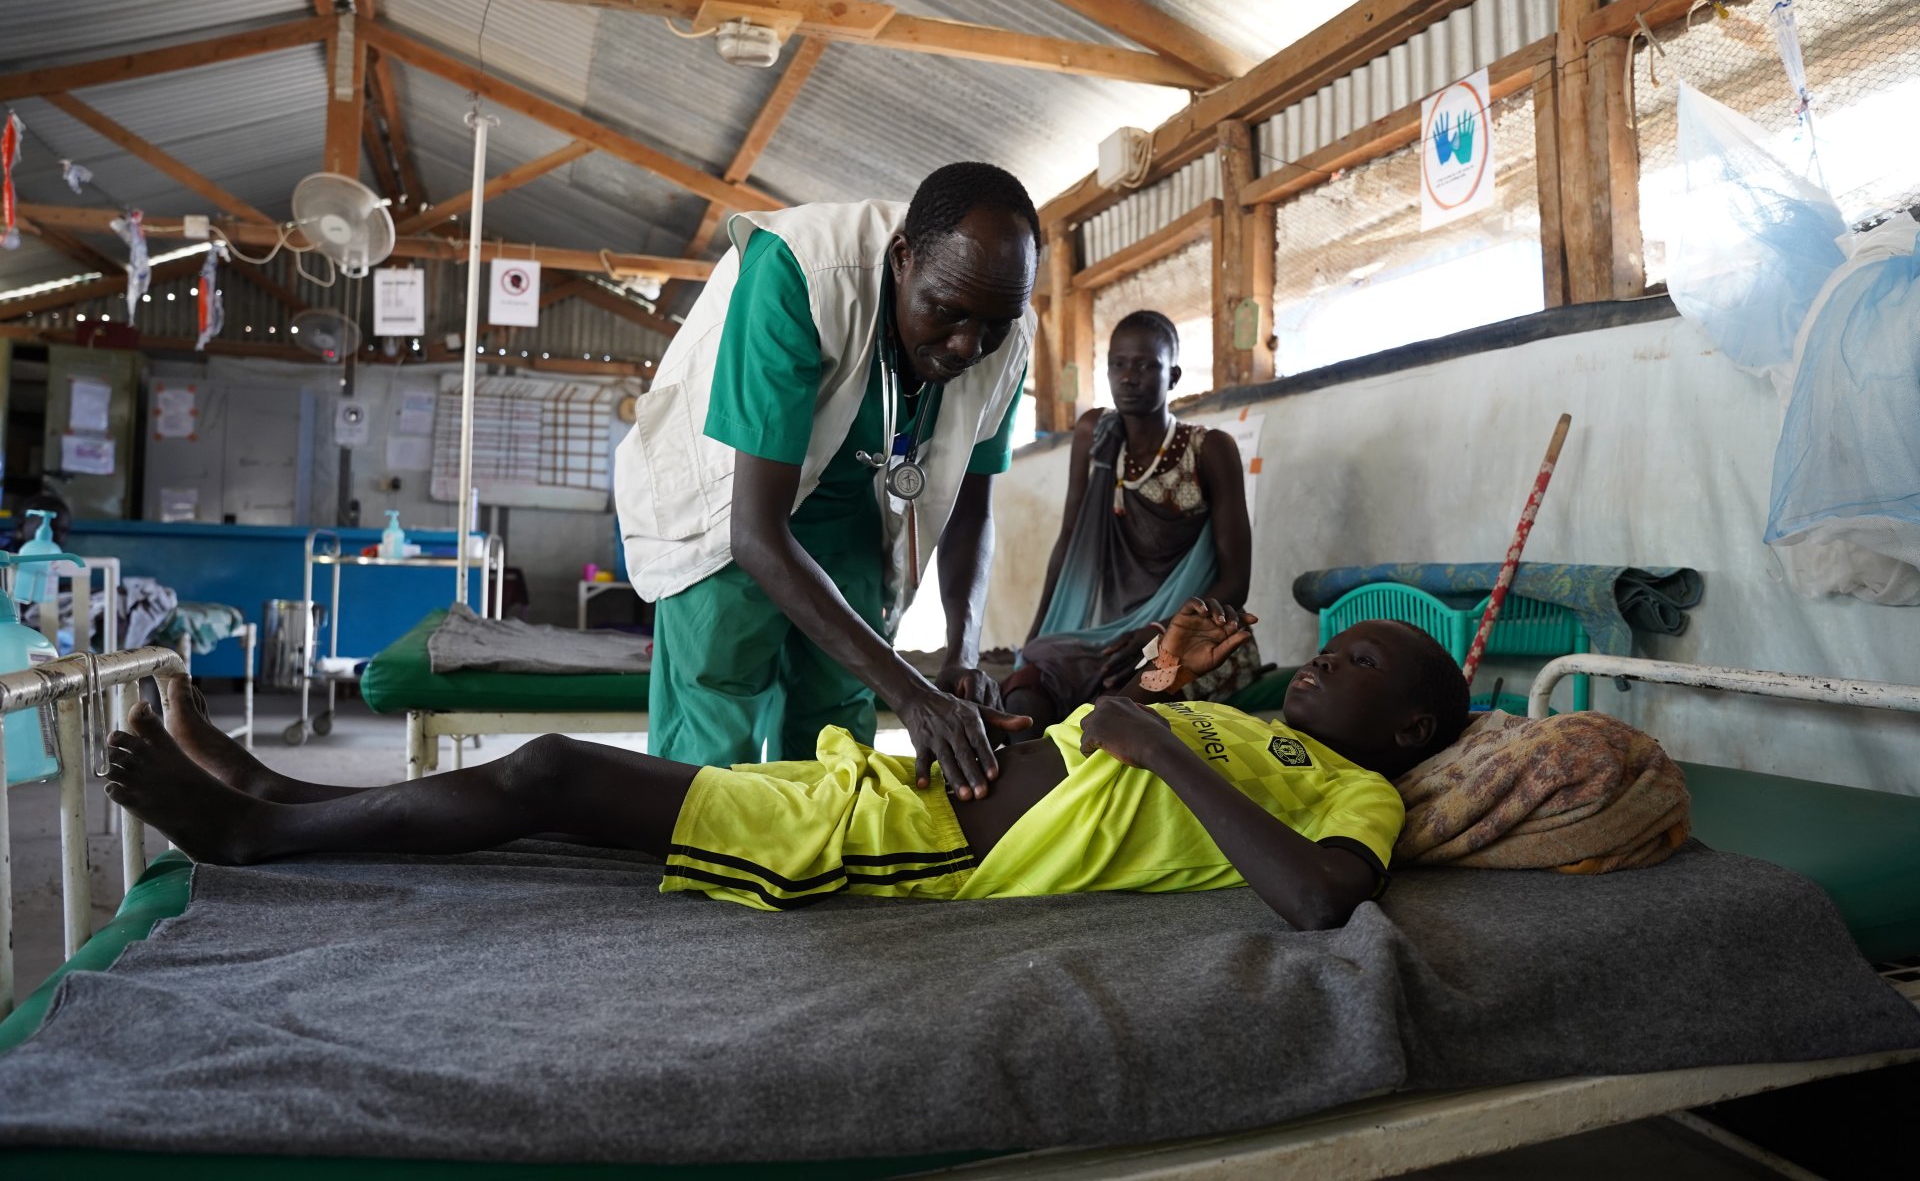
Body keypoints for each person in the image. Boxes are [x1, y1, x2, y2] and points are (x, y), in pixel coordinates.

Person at [102, 603, 1470, 931]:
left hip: (921, 850)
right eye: (1328, 647)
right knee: (558, 794)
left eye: (1358, 668)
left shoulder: (1353, 792)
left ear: (1409, 732)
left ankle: (259, 839)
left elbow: (1322, 904)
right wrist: (1111, 709)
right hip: (909, 789)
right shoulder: (1252, 716)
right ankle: (286, 796)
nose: (1319, 665)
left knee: (555, 777)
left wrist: (1163, 753)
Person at [616, 162, 1037, 802]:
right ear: (902, 258)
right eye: (946, 311)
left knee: (838, 729)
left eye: (993, 325)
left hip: (850, 511)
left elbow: (973, 511)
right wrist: (911, 694)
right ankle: (698, 886)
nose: (965, 346)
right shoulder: (797, 271)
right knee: (714, 719)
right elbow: (755, 533)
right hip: (735, 499)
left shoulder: (1008, 323)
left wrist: (962, 657)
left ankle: (822, 870)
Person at [1004, 311, 1256, 731]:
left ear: (1173, 376)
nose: (1128, 377)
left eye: (1146, 365)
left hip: (1192, 636)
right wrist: (1034, 636)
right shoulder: (1096, 435)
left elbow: (1236, 583)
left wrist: (1161, 631)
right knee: (1028, 686)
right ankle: (1037, 790)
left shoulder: (1210, 450)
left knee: (1124, 701)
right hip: (1111, 635)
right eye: (1117, 364)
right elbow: (1070, 540)